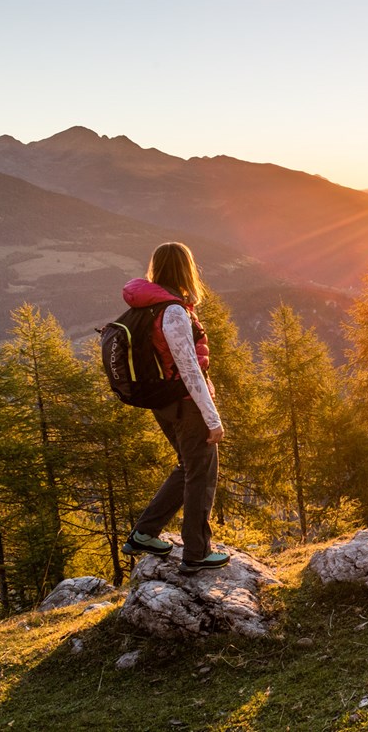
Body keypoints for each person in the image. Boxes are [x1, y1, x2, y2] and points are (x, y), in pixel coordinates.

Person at [120, 242, 229, 573]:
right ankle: (196, 552)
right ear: (186, 269)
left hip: (163, 403)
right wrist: (213, 419)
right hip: (186, 405)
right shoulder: (173, 311)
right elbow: (190, 369)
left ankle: (144, 533)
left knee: (186, 468)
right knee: (202, 474)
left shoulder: (147, 306)